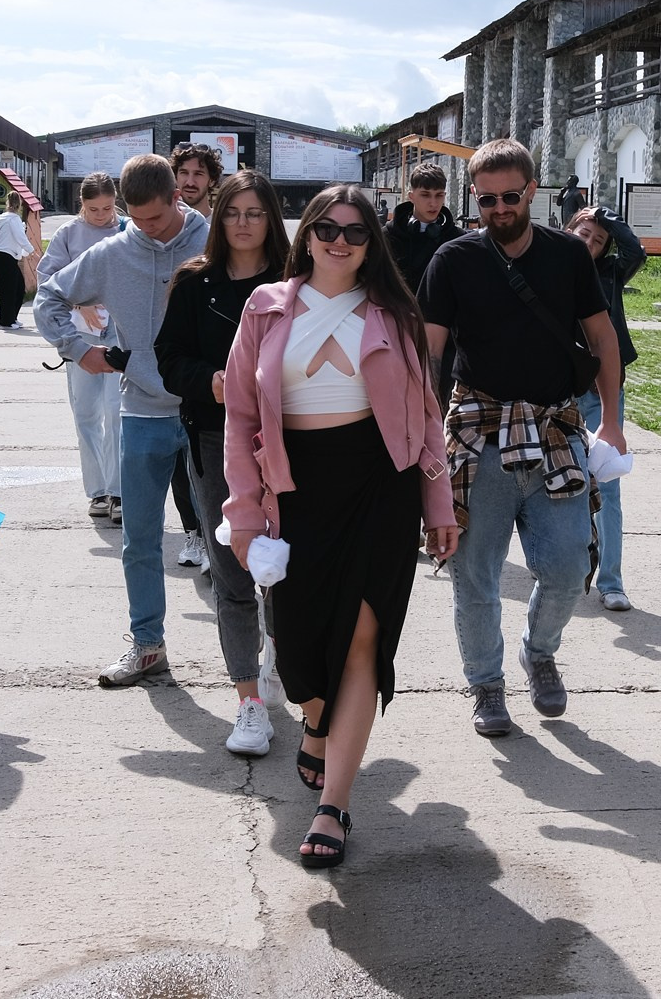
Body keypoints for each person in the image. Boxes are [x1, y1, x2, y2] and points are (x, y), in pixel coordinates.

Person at [223, 184, 458, 868]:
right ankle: (315, 719)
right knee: (299, 652)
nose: (340, 241)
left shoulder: (393, 313)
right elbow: (239, 417)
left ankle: (334, 804)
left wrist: (438, 507)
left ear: (371, 242)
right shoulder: (265, 309)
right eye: (328, 227)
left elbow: (426, 417)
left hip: (380, 485)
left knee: (361, 635)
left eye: (356, 232)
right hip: (297, 489)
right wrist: (243, 511)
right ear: (308, 232)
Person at [419, 139, 626, 738]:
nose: (499, 208)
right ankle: (485, 684)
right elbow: (427, 354)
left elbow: (603, 338)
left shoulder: (567, 255)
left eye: (511, 196)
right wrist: (426, 435)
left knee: (566, 569)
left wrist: (610, 419)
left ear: (532, 191)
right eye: (486, 199)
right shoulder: (452, 261)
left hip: (556, 427)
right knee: (474, 574)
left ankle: (539, 651)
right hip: (478, 429)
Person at [34, 154, 209, 687]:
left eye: (156, 219)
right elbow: (48, 297)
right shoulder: (113, 252)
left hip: (211, 411)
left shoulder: (212, 242)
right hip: (144, 411)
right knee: (139, 538)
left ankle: (250, 652)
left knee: (232, 539)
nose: (146, 230)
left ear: (179, 198)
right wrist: (79, 348)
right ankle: (147, 643)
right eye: (135, 219)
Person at [155, 169, 292, 757]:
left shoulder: (298, 283)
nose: (242, 222)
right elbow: (168, 359)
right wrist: (208, 382)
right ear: (217, 216)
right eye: (232, 211)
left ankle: (285, 663)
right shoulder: (194, 284)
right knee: (234, 576)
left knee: (288, 573)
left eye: (254, 212)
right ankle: (249, 704)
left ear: (271, 219)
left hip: (293, 447)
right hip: (215, 442)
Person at [566, 206, 646, 612]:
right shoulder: (552, 266)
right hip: (560, 392)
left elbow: (636, 250)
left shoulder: (612, 273)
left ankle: (611, 581)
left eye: (598, 240)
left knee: (608, 488)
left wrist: (603, 217)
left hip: (603, 393)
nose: (590, 243)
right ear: (569, 231)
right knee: (556, 485)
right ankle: (561, 564)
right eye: (584, 234)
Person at [41, 175, 126, 523]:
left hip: (120, 336)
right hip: (81, 339)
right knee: (87, 415)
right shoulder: (67, 235)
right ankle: (99, 491)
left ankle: (120, 491)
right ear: (82, 203)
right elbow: (48, 281)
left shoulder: (126, 230)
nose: (102, 215)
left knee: (117, 412)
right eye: (93, 209)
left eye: (107, 208)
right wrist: (79, 304)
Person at [167, 142, 225, 566]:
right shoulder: (161, 223)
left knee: (205, 457)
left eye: (199, 174)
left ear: (211, 181)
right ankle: (194, 535)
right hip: (170, 356)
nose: (190, 180)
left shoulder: (217, 228)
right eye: (183, 172)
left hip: (209, 355)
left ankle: (214, 535)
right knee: (175, 455)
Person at [385, 163, 463, 292]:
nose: (433, 203)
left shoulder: (458, 239)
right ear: (411, 197)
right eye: (425, 195)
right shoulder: (386, 237)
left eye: (439, 195)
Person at [0, 194, 35, 329]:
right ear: (19, 205)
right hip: (6, 257)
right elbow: (20, 237)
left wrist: (23, 253)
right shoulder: (14, 219)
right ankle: (5, 322)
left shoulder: (0, 218)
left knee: (18, 287)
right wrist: (31, 250)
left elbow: (1, 236)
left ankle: (11, 318)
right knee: (9, 290)